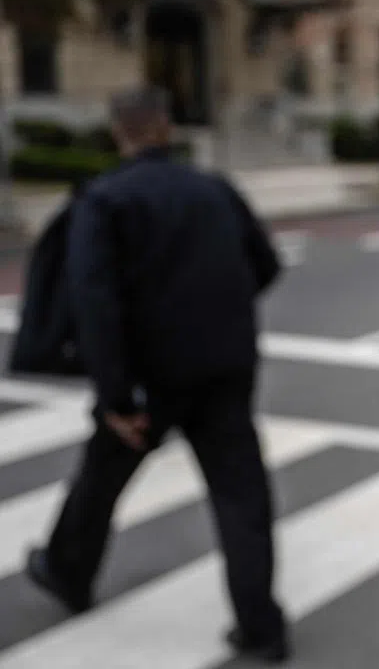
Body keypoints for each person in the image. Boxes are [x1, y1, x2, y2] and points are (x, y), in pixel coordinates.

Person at [23, 87, 290, 663]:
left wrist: (115, 393)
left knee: (100, 479)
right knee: (241, 496)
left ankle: (68, 571)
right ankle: (261, 626)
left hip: (149, 377)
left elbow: (96, 302)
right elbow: (264, 266)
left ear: (118, 133)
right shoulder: (216, 190)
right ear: (167, 128)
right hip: (224, 368)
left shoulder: (104, 200)